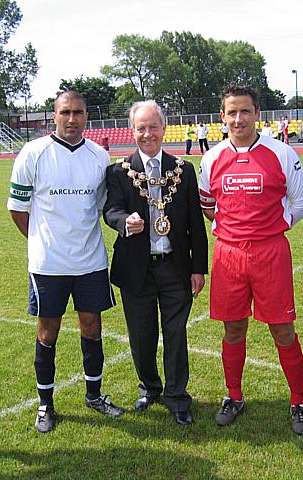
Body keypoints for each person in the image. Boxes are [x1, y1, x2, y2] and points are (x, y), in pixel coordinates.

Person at [198, 84, 303, 434]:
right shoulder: (211, 158)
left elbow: (302, 202)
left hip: (270, 253)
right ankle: (234, 395)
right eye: (231, 112)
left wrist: (274, 226)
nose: (238, 118)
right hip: (229, 255)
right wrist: (231, 230)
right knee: (233, 328)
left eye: (245, 111)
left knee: (282, 328)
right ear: (222, 117)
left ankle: (298, 401)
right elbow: (207, 205)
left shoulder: (281, 153)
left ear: (257, 114)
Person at [7, 90, 124, 435]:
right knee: (48, 331)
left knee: (92, 327)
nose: (72, 119)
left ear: (87, 116)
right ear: (54, 116)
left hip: (90, 261)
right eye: (65, 112)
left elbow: (106, 206)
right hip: (49, 265)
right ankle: (46, 404)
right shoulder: (34, 153)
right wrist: (40, 241)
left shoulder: (99, 157)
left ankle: (94, 395)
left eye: (78, 113)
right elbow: (17, 208)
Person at [104, 100, 208, 425]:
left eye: (153, 127)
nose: (147, 134)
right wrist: (124, 222)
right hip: (136, 268)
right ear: (132, 131)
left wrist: (198, 268)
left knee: (176, 334)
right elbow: (111, 210)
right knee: (141, 334)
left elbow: (195, 223)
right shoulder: (119, 172)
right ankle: (150, 388)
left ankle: (177, 397)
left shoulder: (184, 170)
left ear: (164, 129)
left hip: (175, 267)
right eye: (141, 128)